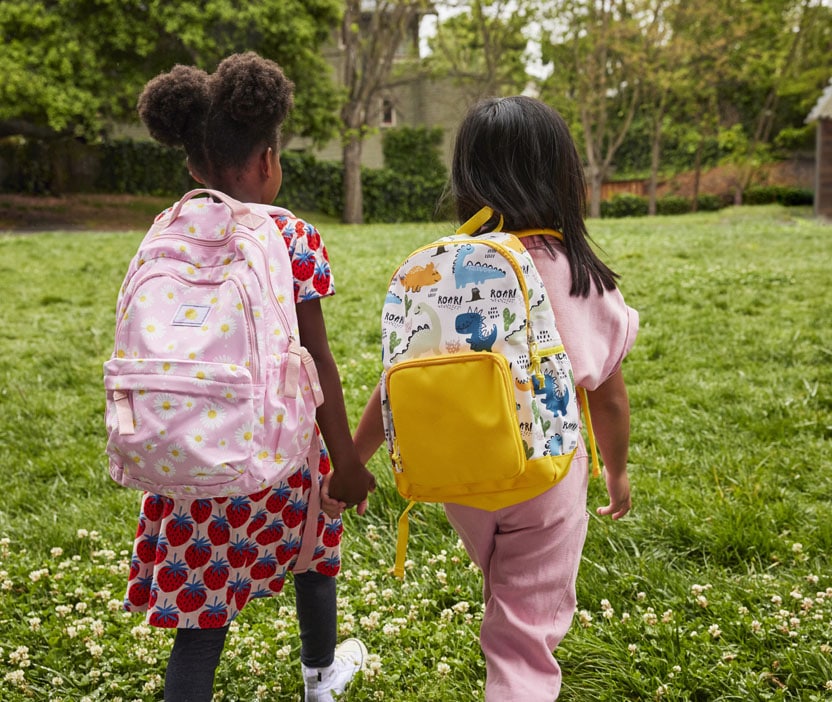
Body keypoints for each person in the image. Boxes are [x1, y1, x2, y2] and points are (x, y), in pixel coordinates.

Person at [354, 95, 638, 701]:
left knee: (505, 592)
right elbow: (608, 399)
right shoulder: (581, 274)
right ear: (563, 177)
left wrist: (352, 460)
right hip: (545, 476)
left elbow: (397, 385)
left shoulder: (444, 270)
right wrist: (616, 472)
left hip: (460, 477)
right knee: (522, 639)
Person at [125, 53, 375, 702]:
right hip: (284, 462)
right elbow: (317, 360)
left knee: (201, 629)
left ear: (191, 164)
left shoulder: (165, 229)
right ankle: (320, 678)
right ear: (269, 162)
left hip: (194, 462)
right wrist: (344, 464)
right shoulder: (292, 235)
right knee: (315, 558)